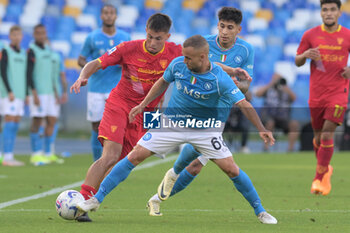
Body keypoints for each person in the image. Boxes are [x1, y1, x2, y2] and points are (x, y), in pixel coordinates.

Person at [76, 35, 278, 224]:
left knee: (231, 169)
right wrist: (143, 105)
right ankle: (96, 199)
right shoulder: (179, 64)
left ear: (203, 57)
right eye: (184, 56)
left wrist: (261, 128)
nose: (185, 61)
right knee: (135, 155)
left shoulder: (220, 79)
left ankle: (260, 210)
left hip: (205, 129)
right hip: (173, 121)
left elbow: (244, 104)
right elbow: (162, 82)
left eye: (189, 58)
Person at [70, 13, 183, 222]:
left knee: (122, 163)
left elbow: (203, 61)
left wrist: (229, 72)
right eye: (149, 36)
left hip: (147, 114)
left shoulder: (176, 52)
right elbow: (95, 63)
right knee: (110, 156)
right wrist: (82, 77)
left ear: (167, 36)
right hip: (120, 105)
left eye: (158, 38)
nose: (152, 42)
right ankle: (83, 200)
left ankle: (90, 199)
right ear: (145, 32)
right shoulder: (128, 48)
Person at [146, 7, 256, 217]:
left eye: (230, 27)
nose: (224, 31)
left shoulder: (247, 50)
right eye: (221, 26)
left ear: (238, 29)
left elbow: (245, 86)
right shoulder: (202, 44)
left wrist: (232, 85)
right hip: (193, 109)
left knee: (195, 166)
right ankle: (161, 192)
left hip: (219, 112)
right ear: (217, 25)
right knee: (196, 163)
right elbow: (187, 68)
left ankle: (161, 190)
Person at [295, 0, 350, 195]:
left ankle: (318, 180)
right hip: (316, 94)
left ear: (339, 12)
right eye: (325, 9)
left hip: (338, 92)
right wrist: (305, 55)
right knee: (318, 138)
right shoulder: (310, 35)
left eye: (332, 9)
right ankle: (325, 169)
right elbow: (297, 60)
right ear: (320, 13)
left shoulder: (347, 35)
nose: (328, 13)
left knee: (327, 134)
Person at [78, 4, 130, 162]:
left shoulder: (125, 37)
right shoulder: (92, 37)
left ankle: (116, 161)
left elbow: (130, 59)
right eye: (105, 13)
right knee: (96, 126)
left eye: (111, 13)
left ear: (115, 16)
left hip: (117, 89)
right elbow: (81, 59)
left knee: (119, 126)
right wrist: (90, 69)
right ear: (101, 16)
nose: (108, 16)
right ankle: (97, 162)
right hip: (96, 89)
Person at [0, 26, 26, 166]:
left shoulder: (23, 53)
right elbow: (3, 72)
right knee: (9, 122)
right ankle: (7, 157)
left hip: (20, 93)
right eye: (14, 35)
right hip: (9, 93)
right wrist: (9, 90)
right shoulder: (6, 51)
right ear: (10, 36)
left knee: (15, 123)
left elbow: (25, 74)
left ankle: (9, 154)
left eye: (19, 34)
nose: (17, 37)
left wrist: (26, 93)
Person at [255, 73, 299, 152]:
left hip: (282, 118)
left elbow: (294, 98)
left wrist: (285, 87)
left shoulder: (286, 90)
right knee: (270, 123)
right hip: (269, 116)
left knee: (294, 124)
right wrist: (271, 83)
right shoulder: (269, 89)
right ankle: (266, 148)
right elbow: (258, 94)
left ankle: (290, 149)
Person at [50, 49, 68, 155]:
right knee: (44, 121)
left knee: (52, 121)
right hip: (46, 93)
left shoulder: (56, 57)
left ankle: (49, 149)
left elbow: (62, 76)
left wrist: (64, 92)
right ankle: (39, 151)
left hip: (55, 94)